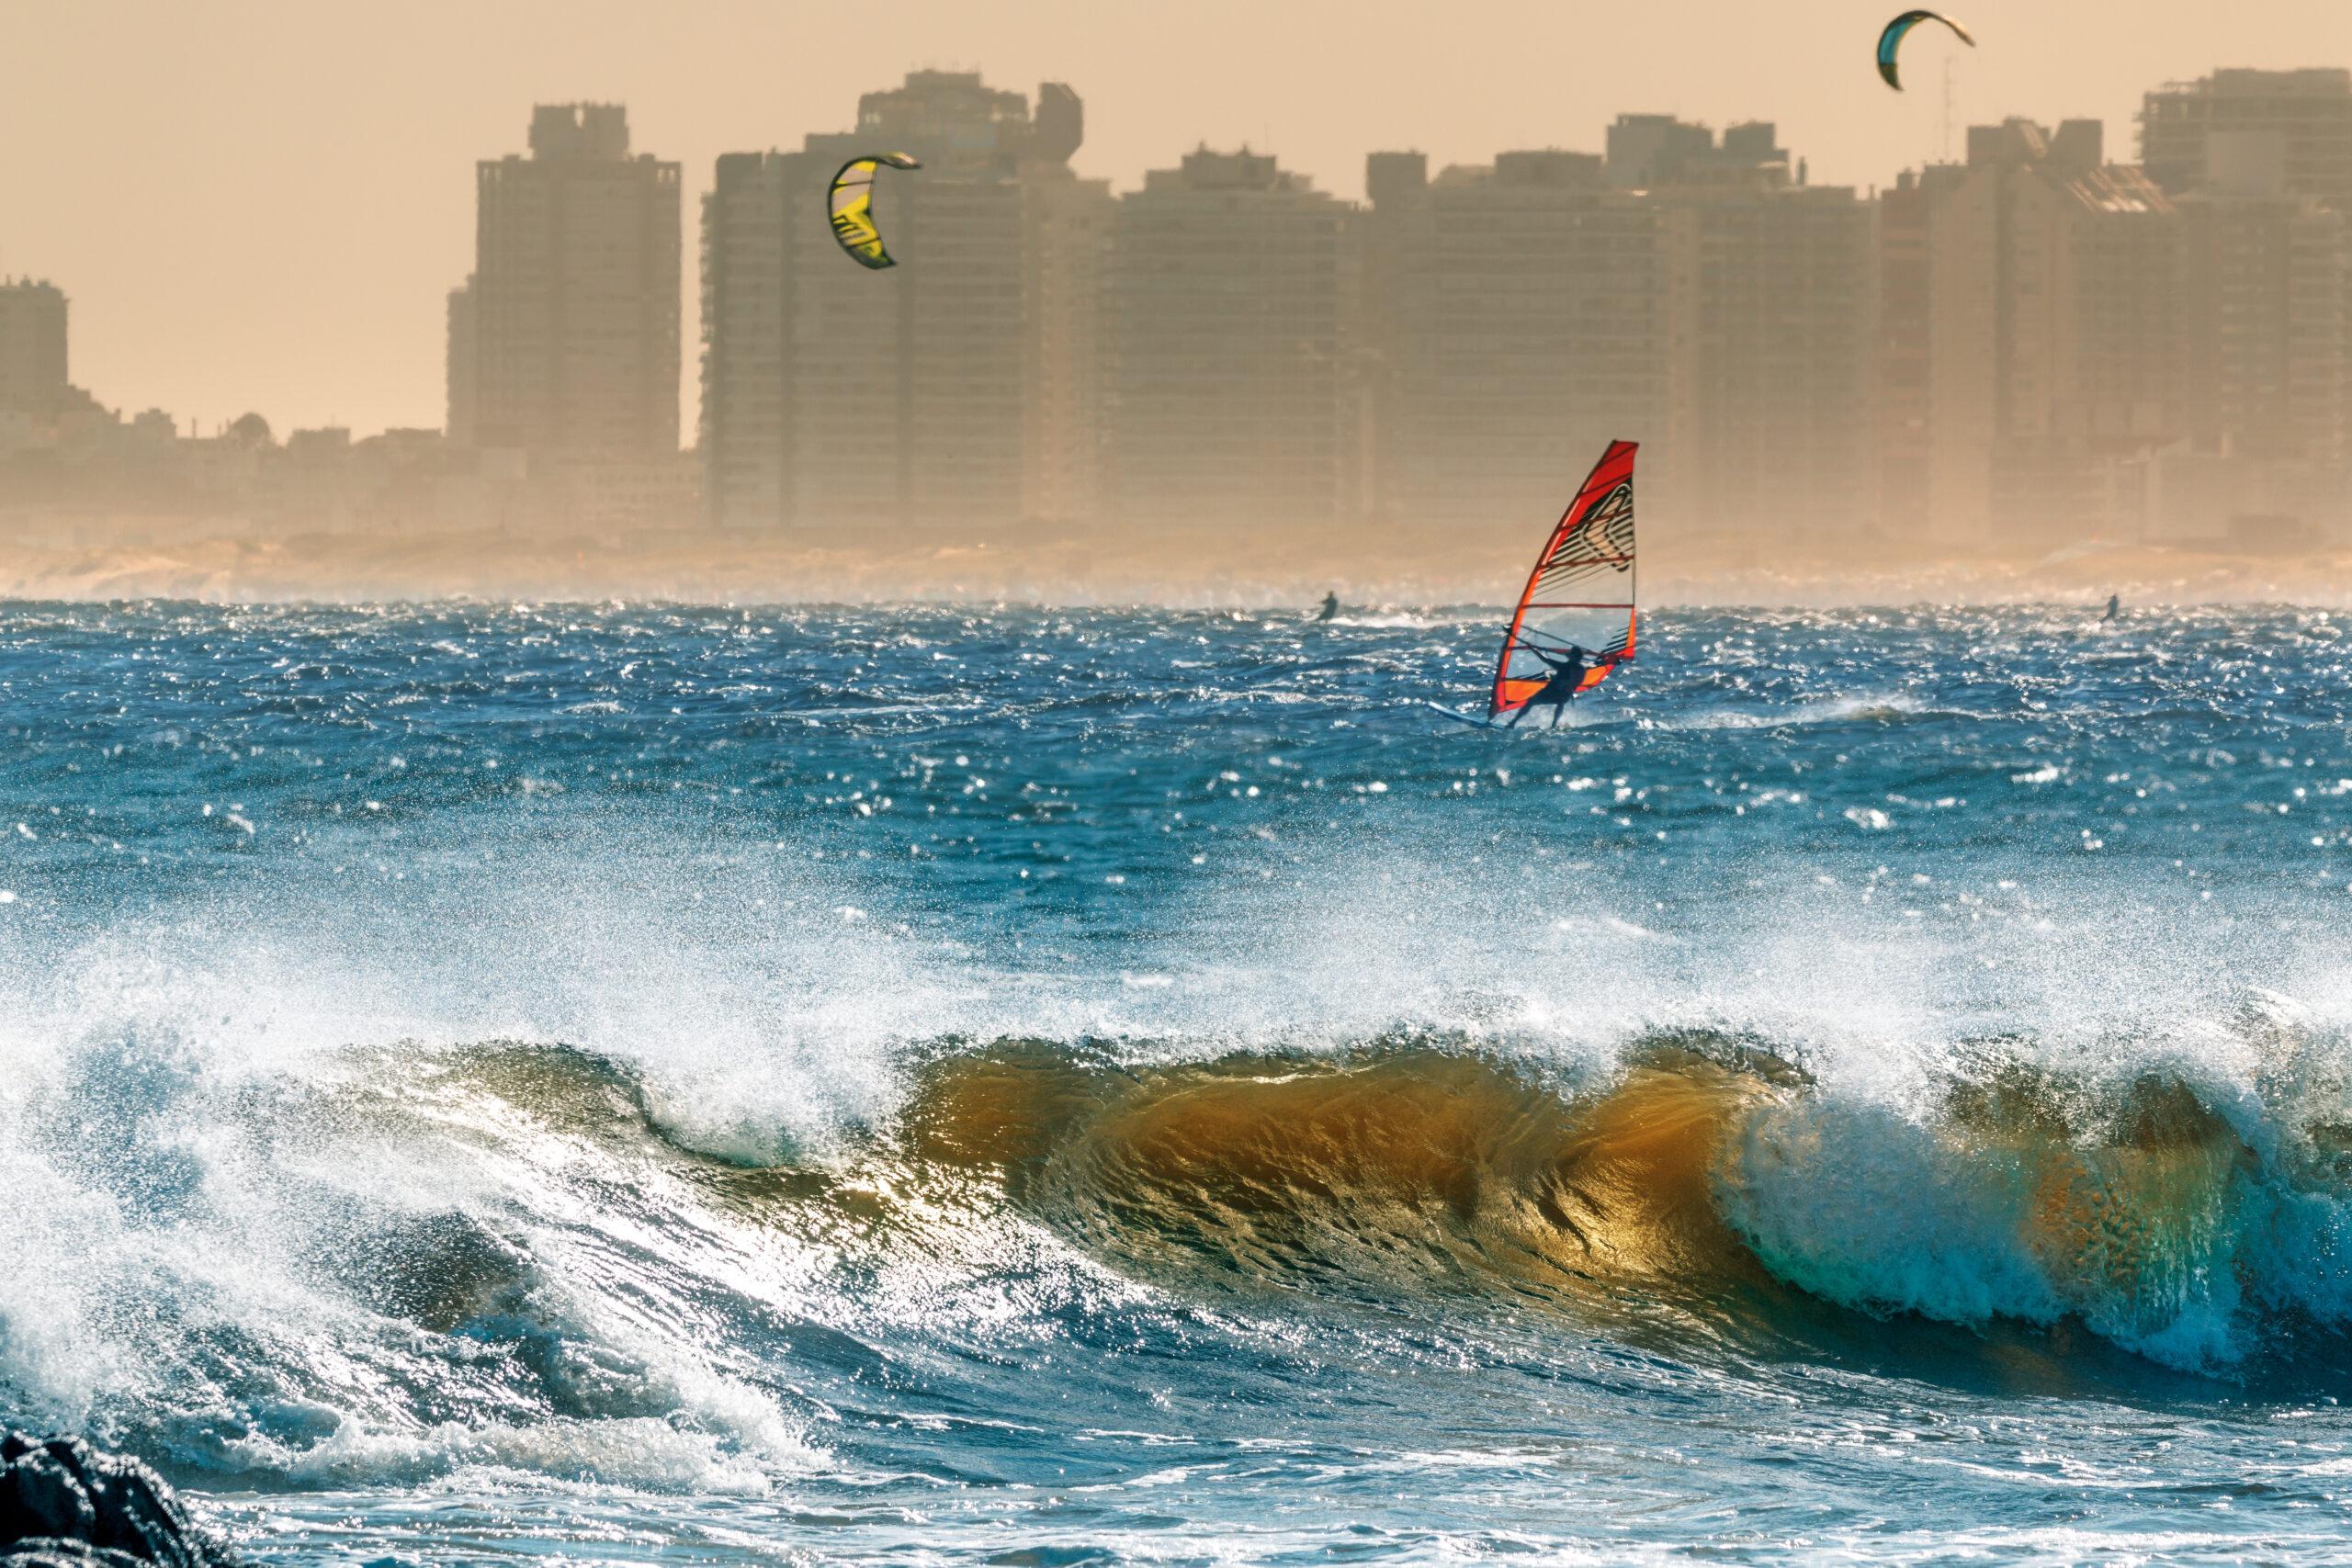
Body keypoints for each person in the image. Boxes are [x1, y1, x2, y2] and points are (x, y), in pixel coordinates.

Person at [1507, 642, 1593, 728]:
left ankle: (1512, 723)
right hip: (1565, 695)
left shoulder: (1565, 666)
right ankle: (1553, 724)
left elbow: (1545, 659)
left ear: (1573, 656)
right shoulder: (1582, 669)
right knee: (1560, 702)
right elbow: (1570, 680)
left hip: (1551, 692)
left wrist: (1533, 649)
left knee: (1530, 701)